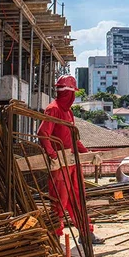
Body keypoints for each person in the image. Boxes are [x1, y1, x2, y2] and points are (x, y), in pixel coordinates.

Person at [38, 75, 105, 245]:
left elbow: (73, 139)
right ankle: (55, 236)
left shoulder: (69, 112)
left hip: (72, 163)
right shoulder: (53, 109)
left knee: (78, 200)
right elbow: (43, 134)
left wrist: (88, 154)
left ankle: (86, 233)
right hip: (60, 166)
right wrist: (53, 155)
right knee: (59, 202)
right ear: (68, 93)